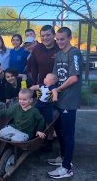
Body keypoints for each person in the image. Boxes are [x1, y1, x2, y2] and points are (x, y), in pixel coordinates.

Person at [47, 27, 82, 179]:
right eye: (58, 39)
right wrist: (49, 88)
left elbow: (74, 77)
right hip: (58, 99)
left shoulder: (74, 53)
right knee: (59, 131)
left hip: (69, 100)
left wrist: (58, 89)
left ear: (69, 38)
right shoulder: (59, 54)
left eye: (62, 39)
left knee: (68, 134)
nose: (59, 42)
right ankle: (63, 157)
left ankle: (67, 167)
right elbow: (54, 76)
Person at [30, 73, 58, 151]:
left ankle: (47, 127)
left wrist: (55, 97)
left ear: (51, 81)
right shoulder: (42, 85)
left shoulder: (52, 87)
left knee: (48, 118)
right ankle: (35, 127)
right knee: (34, 112)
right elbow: (35, 87)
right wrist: (30, 89)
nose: (44, 78)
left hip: (47, 105)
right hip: (39, 103)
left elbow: (54, 92)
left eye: (46, 77)